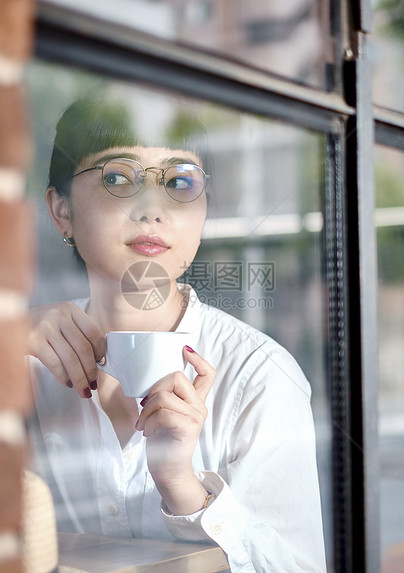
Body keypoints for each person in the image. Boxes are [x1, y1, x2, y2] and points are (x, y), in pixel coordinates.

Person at [26, 95, 326, 572]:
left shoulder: (259, 375)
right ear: (61, 210)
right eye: (118, 178)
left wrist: (184, 489)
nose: (152, 209)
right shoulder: (23, 363)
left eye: (181, 182)